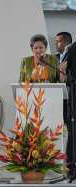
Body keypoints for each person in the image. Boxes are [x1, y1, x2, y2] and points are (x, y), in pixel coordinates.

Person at [64, 41, 76, 181]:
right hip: (74, 99)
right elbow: (66, 72)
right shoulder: (73, 48)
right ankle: (72, 169)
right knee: (73, 134)